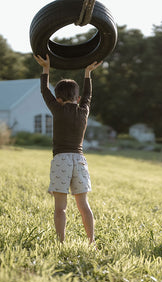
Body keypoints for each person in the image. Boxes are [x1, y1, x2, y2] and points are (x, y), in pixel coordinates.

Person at [34, 54, 102, 244]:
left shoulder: (57, 109)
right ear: (78, 98)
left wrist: (46, 68)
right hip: (79, 160)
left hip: (61, 160)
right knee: (84, 206)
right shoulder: (84, 110)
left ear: (58, 98)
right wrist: (87, 73)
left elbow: (43, 91)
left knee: (60, 208)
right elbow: (89, 96)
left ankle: (61, 243)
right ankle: (91, 242)